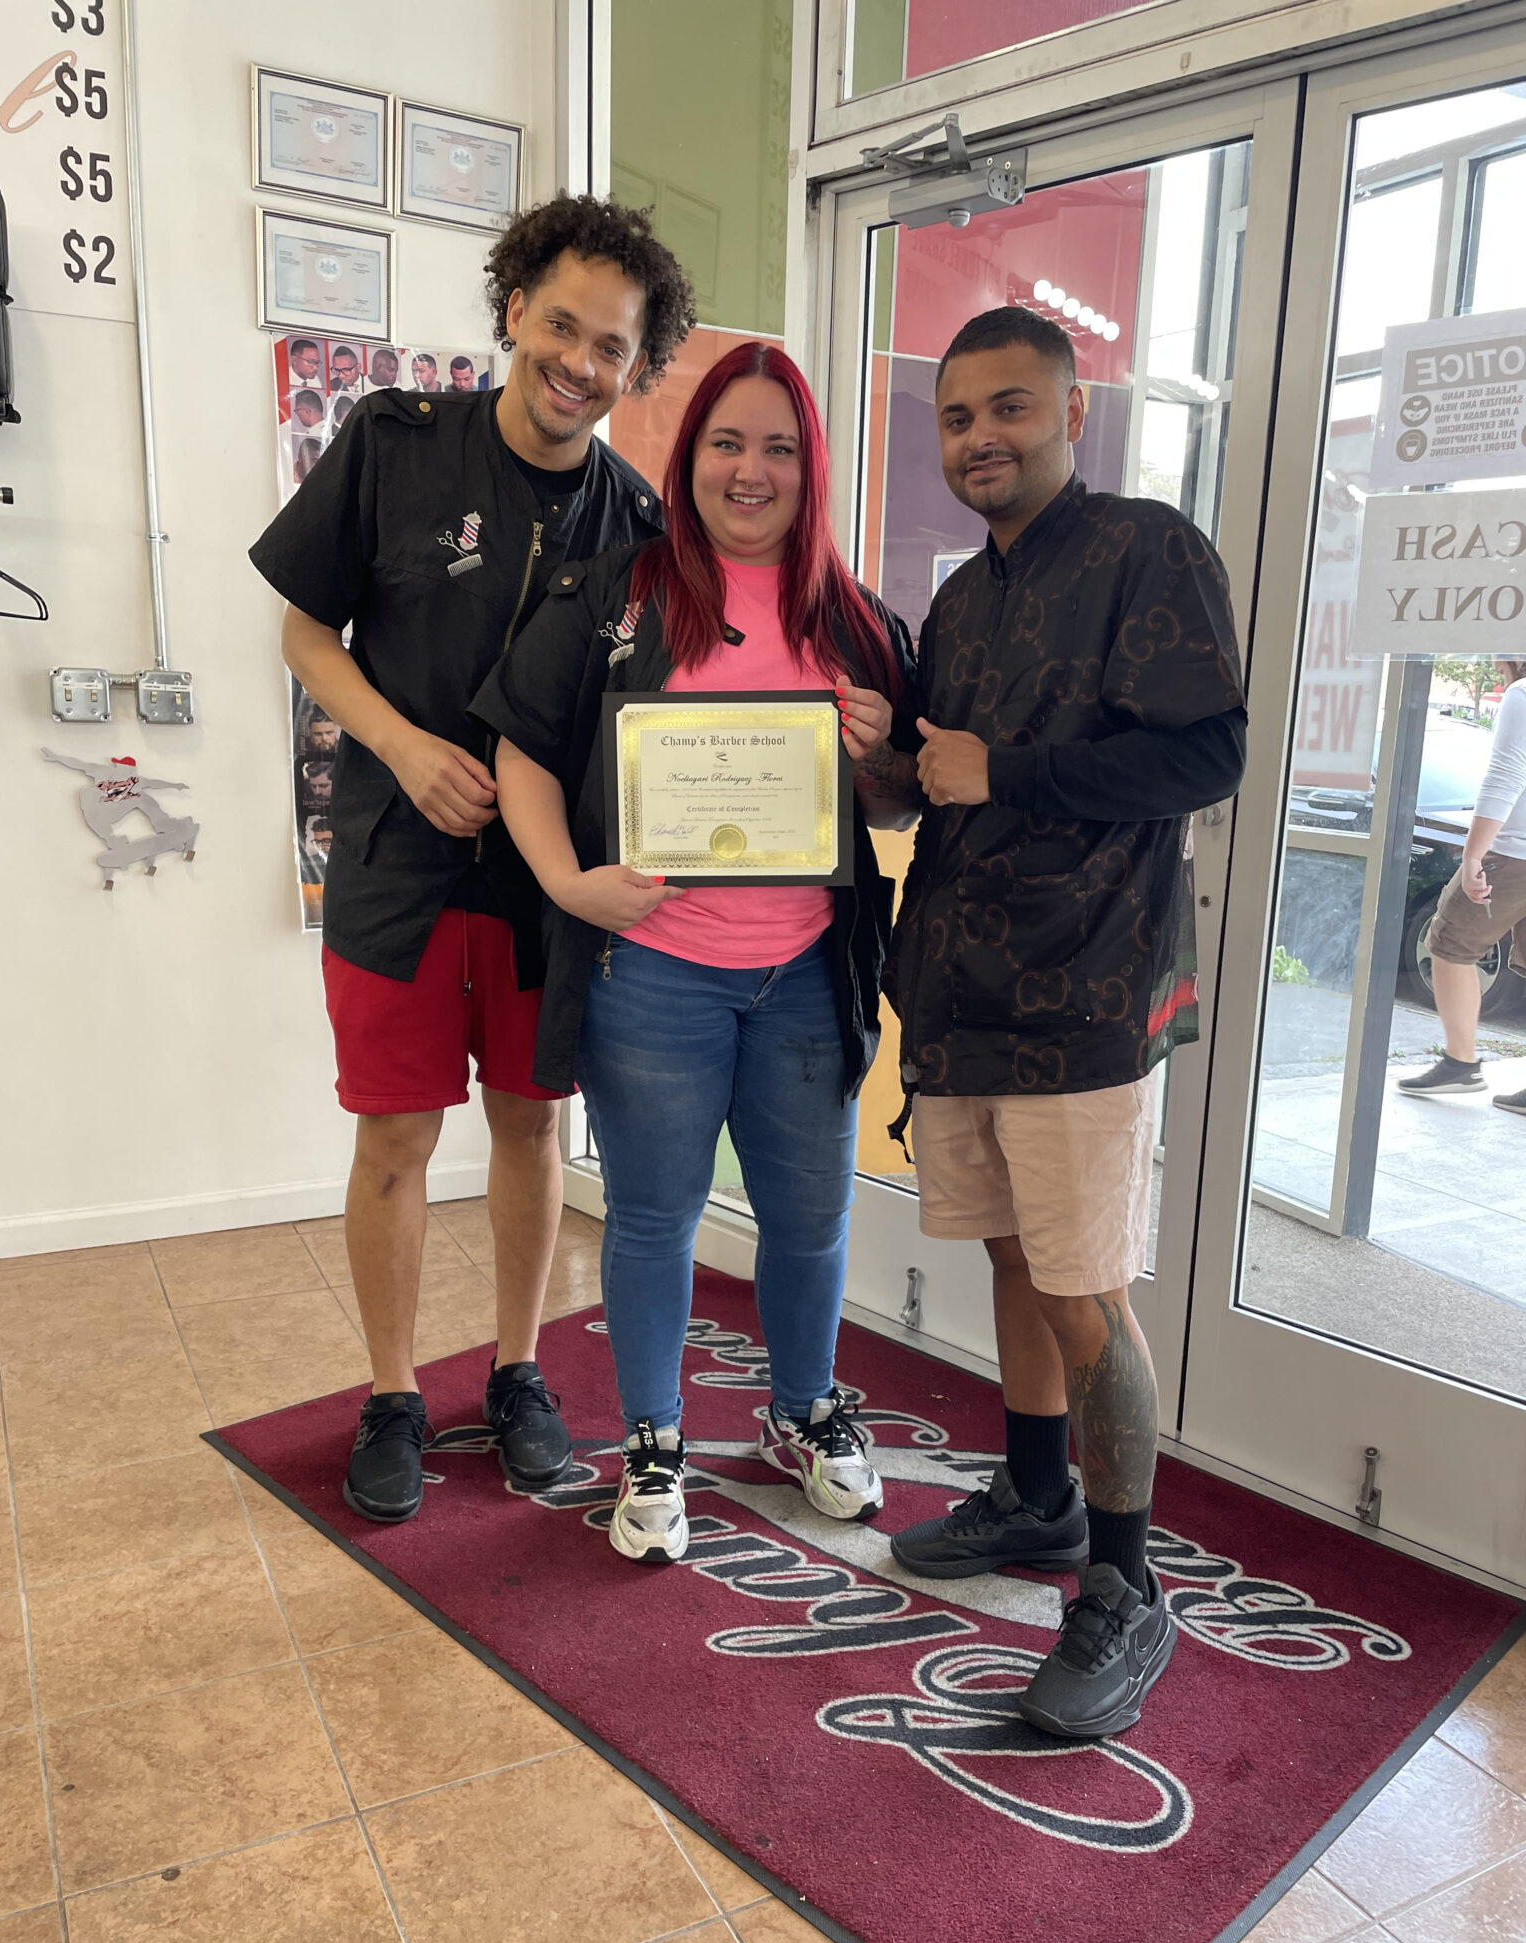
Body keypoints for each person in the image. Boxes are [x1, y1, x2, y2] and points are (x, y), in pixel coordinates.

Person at [249, 194, 696, 1525]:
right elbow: (303, 633)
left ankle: (515, 1373)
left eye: (611, 346)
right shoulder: (394, 441)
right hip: (395, 858)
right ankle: (392, 1391)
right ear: (512, 310)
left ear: (634, 366)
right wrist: (401, 746)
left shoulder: (636, 520)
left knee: (530, 1125)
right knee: (394, 1132)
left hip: (541, 881)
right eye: (561, 324)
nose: (579, 361)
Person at [470, 341, 920, 1566]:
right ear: (691, 455)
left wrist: (881, 751)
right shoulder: (619, 596)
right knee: (656, 1218)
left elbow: (889, 808)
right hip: (654, 973)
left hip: (807, 978)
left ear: (810, 466)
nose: (751, 468)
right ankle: (655, 1439)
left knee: (810, 1218)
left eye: (780, 445)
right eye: (729, 440)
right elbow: (518, 750)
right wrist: (571, 883)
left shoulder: (855, 617)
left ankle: (800, 1410)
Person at [883, 307, 1247, 1739]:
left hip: (1091, 993)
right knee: (1013, 1257)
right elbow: (934, 783)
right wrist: (877, 764)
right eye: (960, 416)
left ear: (1074, 410)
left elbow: (1206, 754)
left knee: (1086, 1286)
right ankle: (1036, 1492)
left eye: (1012, 409)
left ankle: (1124, 1583)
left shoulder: (1150, 549)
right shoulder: (960, 602)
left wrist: (1001, 767)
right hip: (968, 993)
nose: (983, 436)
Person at [1398, 659, 1526, 1115]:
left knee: (1449, 942)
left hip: (1513, 852)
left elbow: (1507, 775)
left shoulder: (1522, 692)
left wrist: (1473, 854)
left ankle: (1460, 1063)